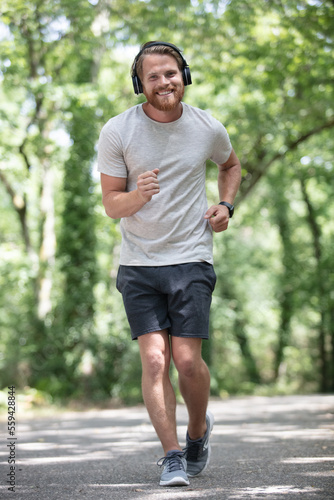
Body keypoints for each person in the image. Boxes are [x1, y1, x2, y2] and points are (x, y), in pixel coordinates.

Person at [97, 41, 241, 487]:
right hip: (139, 263)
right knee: (155, 361)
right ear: (140, 83)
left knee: (187, 360)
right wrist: (138, 195)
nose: (164, 82)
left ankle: (197, 433)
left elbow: (231, 165)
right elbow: (111, 205)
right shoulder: (118, 131)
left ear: (185, 75)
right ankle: (172, 454)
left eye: (171, 72)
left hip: (191, 257)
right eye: (153, 75)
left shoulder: (206, 127)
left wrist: (226, 205)